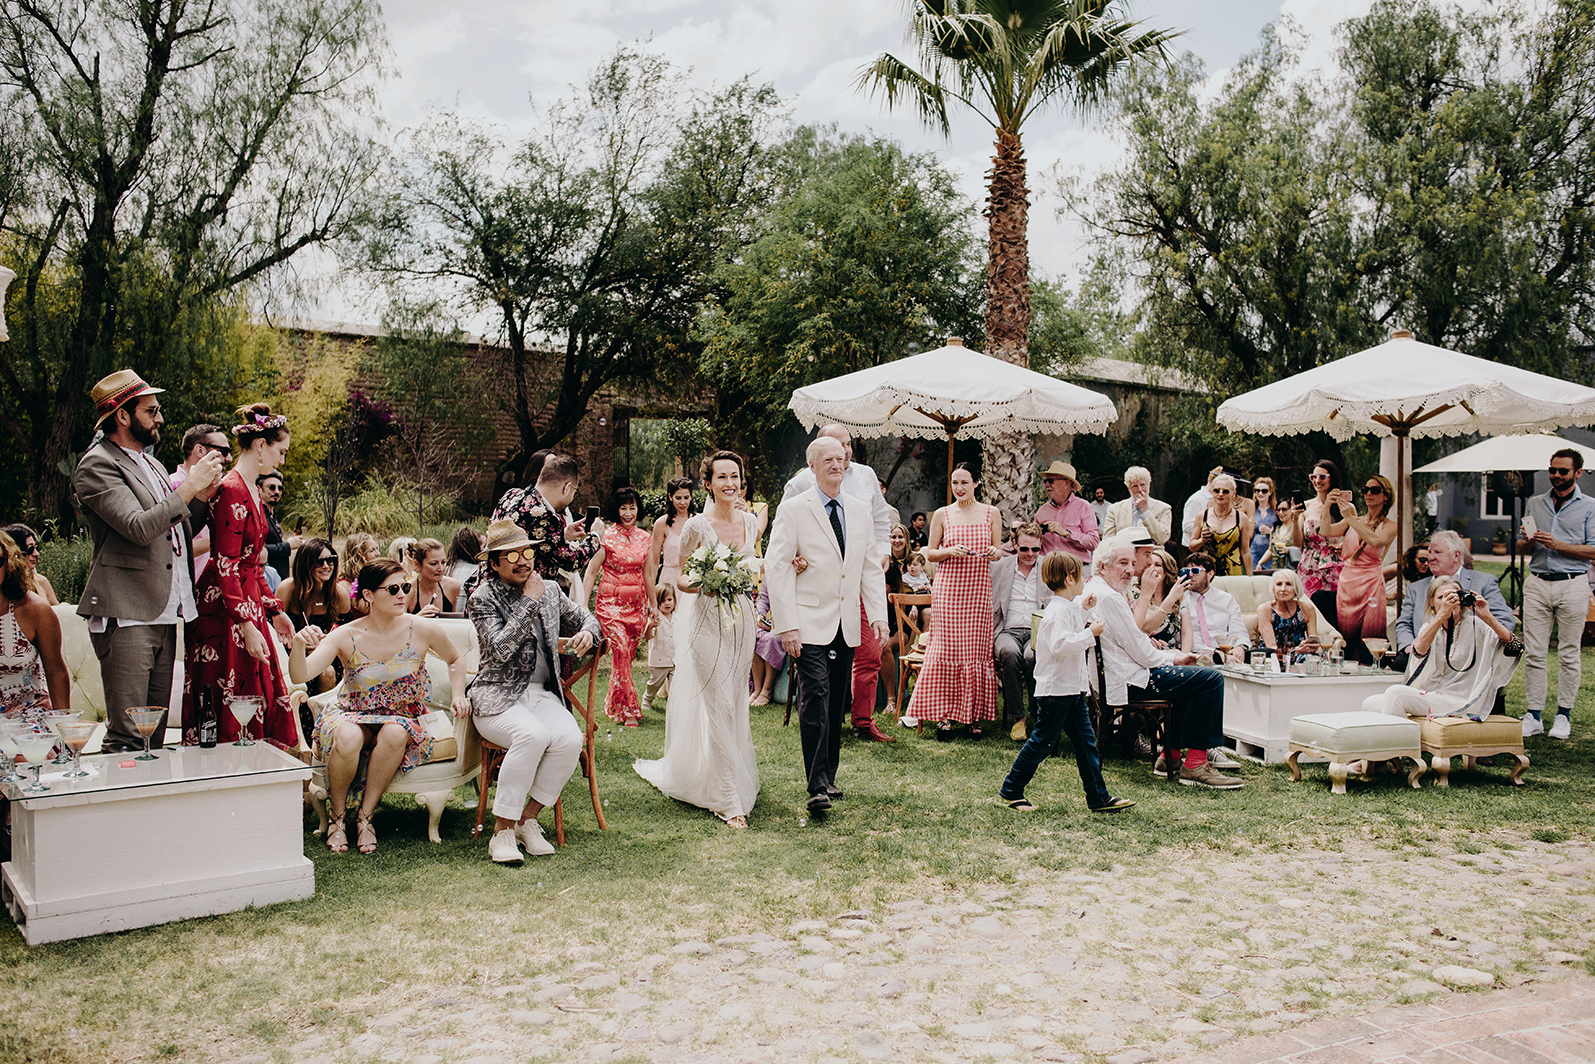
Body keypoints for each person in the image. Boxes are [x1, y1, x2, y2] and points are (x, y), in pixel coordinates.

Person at [75, 369, 222, 753]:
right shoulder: (97, 465)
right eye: (151, 410)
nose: (160, 418)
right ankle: (115, 813)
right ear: (123, 415)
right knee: (128, 734)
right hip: (127, 614)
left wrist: (203, 495)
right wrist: (189, 485)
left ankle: (149, 813)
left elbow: (178, 532)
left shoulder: (152, 464)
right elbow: (139, 528)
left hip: (163, 610)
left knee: (152, 736)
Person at [291, 559, 469, 854]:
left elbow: (455, 659)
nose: (402, 594)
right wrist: (298, 645)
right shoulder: (346, 634)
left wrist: (458, 693)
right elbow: (301, 674)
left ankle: (365, 817)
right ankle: (337, 818)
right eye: (393, 589)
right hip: (352, 712)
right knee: (346, 737)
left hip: (402, 715)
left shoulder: (421, 628)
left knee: (395, 733)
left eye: (405, 587)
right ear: (369, 595)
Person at [635, 451, 764, 827]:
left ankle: (725, 775)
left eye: (735, 477)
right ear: (707, 484)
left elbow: (752, 566)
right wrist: (709, 583)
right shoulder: (696, 527)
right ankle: (727, 799)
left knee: (735, 701)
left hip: (741, 622)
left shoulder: (752, 523)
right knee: (717, 701)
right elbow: (681, 579)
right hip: (705, 620)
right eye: (721, 477)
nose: (729, 484)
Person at [463, 520, 599, 863]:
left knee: (569, 739)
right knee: (532, 736)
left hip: (541, 693)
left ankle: (528, 819)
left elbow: (587, 617)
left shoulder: (550, 589)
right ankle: (502, 832)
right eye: (511, 555)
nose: (524, 560)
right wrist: (527, 602)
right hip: (496, 696)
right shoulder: (482, 598)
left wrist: (589, 633)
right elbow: (499, 651)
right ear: (494, 563)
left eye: (527, 551)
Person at [767, 437, 887, 812]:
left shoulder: (858, 509)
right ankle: (817, 784)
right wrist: (788, 625)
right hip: (807, 622)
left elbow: (868, 566)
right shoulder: (793, 509)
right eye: (829, 460)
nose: (837, 465)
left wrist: (879, 615)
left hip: (846, 622)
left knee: (836, 702)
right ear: (812, 467)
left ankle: (829, 777)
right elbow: (777, 566)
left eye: (842, 459)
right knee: (815, 696)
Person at [182, 403, 298, 748]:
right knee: (233, 698)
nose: (282, 461)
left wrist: (275, 610)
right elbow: (225, 563)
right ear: (261, 446)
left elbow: (251, 565)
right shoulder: (233, 488)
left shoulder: (252, 490)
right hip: (225, 610)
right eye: (281, 452)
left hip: (244, 604)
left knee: (256, 693)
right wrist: (246, 623)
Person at [1087, 539, 1241, 789]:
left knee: (1191, 677)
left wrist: (1174, 658)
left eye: (1132, 563)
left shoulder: (1101, 590)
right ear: (1102, 566)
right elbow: (1141, 651)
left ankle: (1171, 756)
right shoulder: (1110, 598)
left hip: (1119, 676)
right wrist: (1174, 657)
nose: (1130, 569)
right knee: (1211, 679)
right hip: (1129, 680)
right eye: (1122, 563)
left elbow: (1137, 645)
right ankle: (1197, 764)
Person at [781, 424, 895, 743]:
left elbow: (881, 520)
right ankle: (823, 720)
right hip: (819, 589)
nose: (843, 452)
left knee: (870, 654)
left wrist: (882, 553)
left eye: (846, 445)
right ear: (816, 454)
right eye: (834, 446)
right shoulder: (801, 483)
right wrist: (795, 558)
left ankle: (862, 719)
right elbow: (785, 533)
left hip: (858, 582)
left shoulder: (867, 476)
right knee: (823, 667)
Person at [999, 551, 1133, 814]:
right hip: (1056, 692)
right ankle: (1012, 789)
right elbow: (1061, 645)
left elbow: (1071, 617)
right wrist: (1089, 634)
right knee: (1041, 743)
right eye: (1081, 575)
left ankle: (1098, 797)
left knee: (1086, 744)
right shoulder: (1056, 613)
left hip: (1071, 691)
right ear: (1070, 578)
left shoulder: (1064, 608)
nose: (1084, 580)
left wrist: (1083, 608)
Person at [908, 462, 1003, 739]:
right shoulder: (942, 514)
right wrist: (949, 551)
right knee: (946, 650)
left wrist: (993, 552)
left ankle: (973, 716)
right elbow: (930, 553)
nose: (959, 488)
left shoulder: (991, 513)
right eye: (954, 483)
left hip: (978, 590)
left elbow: (997, 551)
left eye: (964, 482)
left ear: (976, 483)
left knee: (974, 650)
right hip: (949, 590)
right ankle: (944, 716)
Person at [1363, 575, 1519, 722]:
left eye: (1453, 597)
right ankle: (1393, 743)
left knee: (1395, 693)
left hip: (1459, 698)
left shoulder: (1478, 626)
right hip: (1430, 693)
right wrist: (1441, 615)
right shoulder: (1430, 627)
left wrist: (1487, 616)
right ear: (1431, 603)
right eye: (1441, 598)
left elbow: (1515, 647)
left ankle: (1401, 748)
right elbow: (1418, 652)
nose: (1448, 601)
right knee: (1370, 703)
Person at [1519, 448, 1595, 739]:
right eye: (1552, 470)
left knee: (1569, 653)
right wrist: (1526, 542)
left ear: (1578, 473)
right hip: (1537, 581)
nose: (1556, 476)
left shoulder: (1589, 506)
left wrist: (1557, 544)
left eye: (1563, 471)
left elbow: (1593, 550)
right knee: (1535, 652)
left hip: (1573, 583)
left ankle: (1563, 715)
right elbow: (1523, 547)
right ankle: (1534, 715)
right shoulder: (1534, 503)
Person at [1395, 531, 1515, 680]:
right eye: (1430, 552)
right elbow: (1403, 624)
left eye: (1437, 552)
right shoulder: (1416, 588)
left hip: (1468, 658)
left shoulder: (1484, 582)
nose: (1430, 557)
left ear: (1457, 555)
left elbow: (1505, 621)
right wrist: (1410, 648)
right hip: (1423, 654)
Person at [475, 454, 600, 595]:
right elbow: (572, 561)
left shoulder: (512, 495)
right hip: (514, 597)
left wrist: (563, 535)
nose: (572, 498)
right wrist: (595, 537)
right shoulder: (545, 515)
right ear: (567, 488)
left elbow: (529, 538)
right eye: (574, 493)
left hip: (486, 589)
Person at [582, 487, 653, 726]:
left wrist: (652, 604)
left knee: (625, 658)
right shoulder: (606, 538)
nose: (628, 512)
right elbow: (591, 571)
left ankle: (614, 702)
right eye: (624, 507)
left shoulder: (645, 537)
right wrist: (583, 604)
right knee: (620, 648)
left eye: (632, 507)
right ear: (616, 509)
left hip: (637, 605)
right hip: (610, 604)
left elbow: (649, 573)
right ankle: (629, 710)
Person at [0, 531, 69, 721]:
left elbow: (56, 672)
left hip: (28, 718)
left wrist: (64, 733)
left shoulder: (35, 610)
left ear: (9, 563)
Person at [276, 537, 353, 695]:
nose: (326, 566)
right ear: (306, 564)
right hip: (291, 650)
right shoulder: (288, 589)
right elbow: (274, 629)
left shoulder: (339, 594)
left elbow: (348, 634)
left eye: (330, 560)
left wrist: (326, 646)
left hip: (328, 652)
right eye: (319, 561)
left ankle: (323, 716)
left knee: (328, 673)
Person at [1336, 474, 1398, 665]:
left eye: (1375, 490)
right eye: (1365, 490)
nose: (1369, 494)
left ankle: (1371, 671)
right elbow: (1325, 531)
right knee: (1347, 636)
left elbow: (1376, 540)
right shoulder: (1356, 520)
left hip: (1370, 581)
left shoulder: (1391, 526)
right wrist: (1326, 507)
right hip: (1348, 581)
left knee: (1371, 635)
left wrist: (1351, 519)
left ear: (1386, 495)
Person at [992, 523, 1045, 739]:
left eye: (1035, 549)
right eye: (1024, 549)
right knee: (1009, 654)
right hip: (1008, 629)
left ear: (1041, 546)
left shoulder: (1047, 567)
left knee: (1033, 657)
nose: (1030, 554)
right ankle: (1018, 719)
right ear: (1015, 545)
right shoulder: (1000, 567)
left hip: (1038, 630)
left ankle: (1037, 714)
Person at [1287, 459, 1349, 628]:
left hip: (1336, 565)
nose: (1317, 481)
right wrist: (1294, 518)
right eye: (1313, 476)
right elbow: (1297, 542)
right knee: (1310, 611)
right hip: (1310, 565)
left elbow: (1352, 535)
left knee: (1336, 614)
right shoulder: (1306, 506)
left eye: (1322, 476)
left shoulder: (1343, 506)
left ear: (1332, 478)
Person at [170, 424, 227, 575]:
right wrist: (223, 539)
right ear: (200, 450)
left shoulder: (216, 487)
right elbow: (171, 545)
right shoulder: (171, 487)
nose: (229, 458)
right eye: (223, 452)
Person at [1029, 461, 1100, 567]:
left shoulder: (1084, 507)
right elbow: (1031, 541)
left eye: (1050, 481)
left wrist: (1067, 533)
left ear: (1067, 483)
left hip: (1075, 570)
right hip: (1047, 571)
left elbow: (1094, 543)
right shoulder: (1042, 510)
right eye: (1046, 481)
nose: (1046, 484)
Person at [1183, 552, 1249, 665]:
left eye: (1195, 571)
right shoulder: (1181, 599)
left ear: (1210, 574)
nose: (1190, 575)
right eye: (1186, 571)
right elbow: (1187, 639)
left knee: (1266, 654)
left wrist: (1240, 647)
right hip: (1197, 652)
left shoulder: (1226, 599)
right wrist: (1215, 653)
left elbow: (1239, 630)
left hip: (1226, 649)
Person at [1189, 474, 1252, 576]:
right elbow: (1192, 547)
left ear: (1233, 493)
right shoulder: (1202, 516)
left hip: (1234, 571)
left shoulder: (1241, 518)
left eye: (1225, 491)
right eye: (1216, 491)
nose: (1220, 494)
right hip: (1208, 571)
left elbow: (1245, 551)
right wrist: (1202, 540)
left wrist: (1250, 578)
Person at [649, 476, 696, 606]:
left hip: (691, 580)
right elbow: (654, 561)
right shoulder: (662, 523)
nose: (682, 502)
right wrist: (651, 594)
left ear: (691, 497)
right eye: (678, 498)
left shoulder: (697, 522)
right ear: (670, 497)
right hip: (669, 580)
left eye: (686, 497)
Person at [1256, 569, 1320, 661]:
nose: (1283, 589)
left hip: (1302, 654)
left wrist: (1310, 646)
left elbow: (1314, 642)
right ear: (1273, 589)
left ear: (1296, 588)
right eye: (1279, 584)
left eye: (1288, 584)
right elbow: (1271, 647)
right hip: (1273, 656)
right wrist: (1295, 651)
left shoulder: (1307, 609)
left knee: (1316, 660)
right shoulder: (1265, 609)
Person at [1101, 466, 1173, 546]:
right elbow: (1107, 541)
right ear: (1129, 489)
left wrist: (1145, 512)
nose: (1140, 490)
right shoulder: (1114, 510)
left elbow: (1162, 538)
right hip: (1124, 552)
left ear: (1149, 485)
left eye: (1143, 485)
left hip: (1153, 553)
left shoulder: (1163, 508)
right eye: (1135, 486)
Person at [1133, 548, 1189, 647]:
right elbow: (1147, 627)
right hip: (1147, 651)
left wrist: (1184, 657)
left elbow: (1186, 632)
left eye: (1157, 565)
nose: (1152, 569)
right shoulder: (1136, 593)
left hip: (1174, 653)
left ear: (1167, 571)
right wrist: (1171, 598)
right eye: (1149, 565)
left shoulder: (1179, 598)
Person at [256, 471, 300, 591]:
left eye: (280, 488)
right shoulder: (258, 514)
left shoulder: (270, 515)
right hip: (265, 580)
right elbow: (258, 549)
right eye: (271, 487)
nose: (276, 492)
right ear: (259, 489)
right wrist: (288, 546)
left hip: (277, 580)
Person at [2, 525, 58, 606]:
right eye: (30, 549)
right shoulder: (3, 587)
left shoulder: (41, 582)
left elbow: (56, 612)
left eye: (36, 548)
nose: (36, 554)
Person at [405, 539, 462, 617]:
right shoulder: (408, 591)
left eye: (443, 562)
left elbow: (453, 622)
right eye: (433, 564)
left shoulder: (452, 586)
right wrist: (418, 618)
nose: (441, 569)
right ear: (417, 565)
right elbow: (398, 626)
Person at [644, 583, 676, 706]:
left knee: (676, 686)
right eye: (663, 601)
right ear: (657, 603)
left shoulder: (678, 619)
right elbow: (648, 637)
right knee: (654, 684)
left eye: (669, 599)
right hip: (659, 660)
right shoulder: (655, 620)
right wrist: (649, 626)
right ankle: (648, 698)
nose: (667, 603)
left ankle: (673, 705)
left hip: (674, 660)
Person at [1181, 466, 1225, 545]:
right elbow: (1187, 526)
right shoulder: (1197, 499)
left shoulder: (1218, 499)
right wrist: (1212, 528)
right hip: (1194, 548)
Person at [1248, 477, 1281, 572]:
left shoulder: (1276, 510)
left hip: (1270, 550)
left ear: (1270, 492)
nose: (1260, 493)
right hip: (1254, 550)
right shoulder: (1251, 510)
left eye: (1264, 491)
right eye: (1257, 491)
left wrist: (1271, 531)